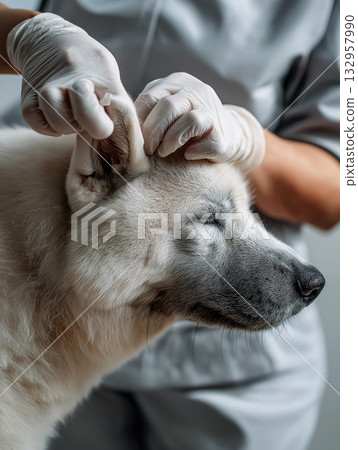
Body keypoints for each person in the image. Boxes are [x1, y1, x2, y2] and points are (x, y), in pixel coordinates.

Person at [0, 1, 339, 449]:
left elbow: (338, 193)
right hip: (51, 313)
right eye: (214, 221)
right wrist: (22, 36)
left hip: (235, 381)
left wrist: (249, 139)